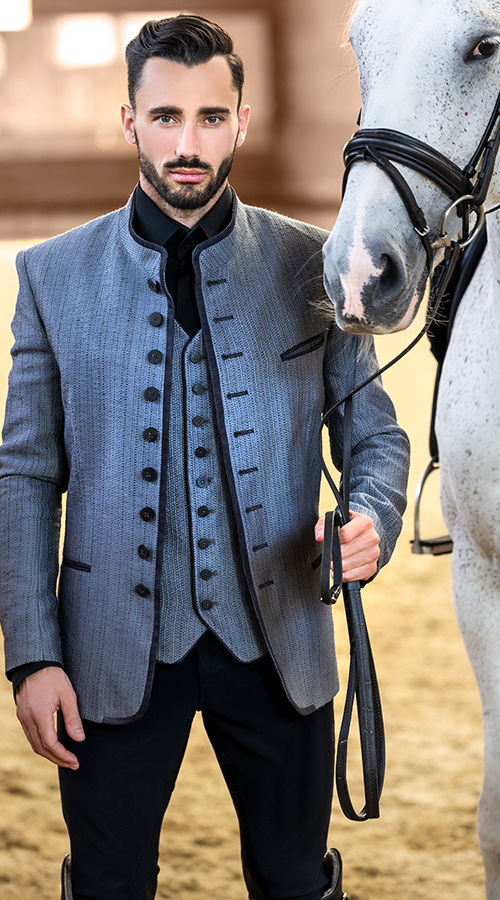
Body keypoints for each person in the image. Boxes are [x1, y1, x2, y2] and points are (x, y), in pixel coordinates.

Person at [0, 15, 410, 900]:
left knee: (295, 882)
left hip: (279, 642)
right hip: (108, 650)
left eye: (211, 117)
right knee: (108, 885)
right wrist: (32, 656)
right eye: (166, 117)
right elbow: (25, 478)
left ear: (241, 122)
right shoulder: (50, 278)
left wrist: (373, 515)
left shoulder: (315, 265)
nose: (188, 144)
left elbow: (375, 435)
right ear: (129, 121)